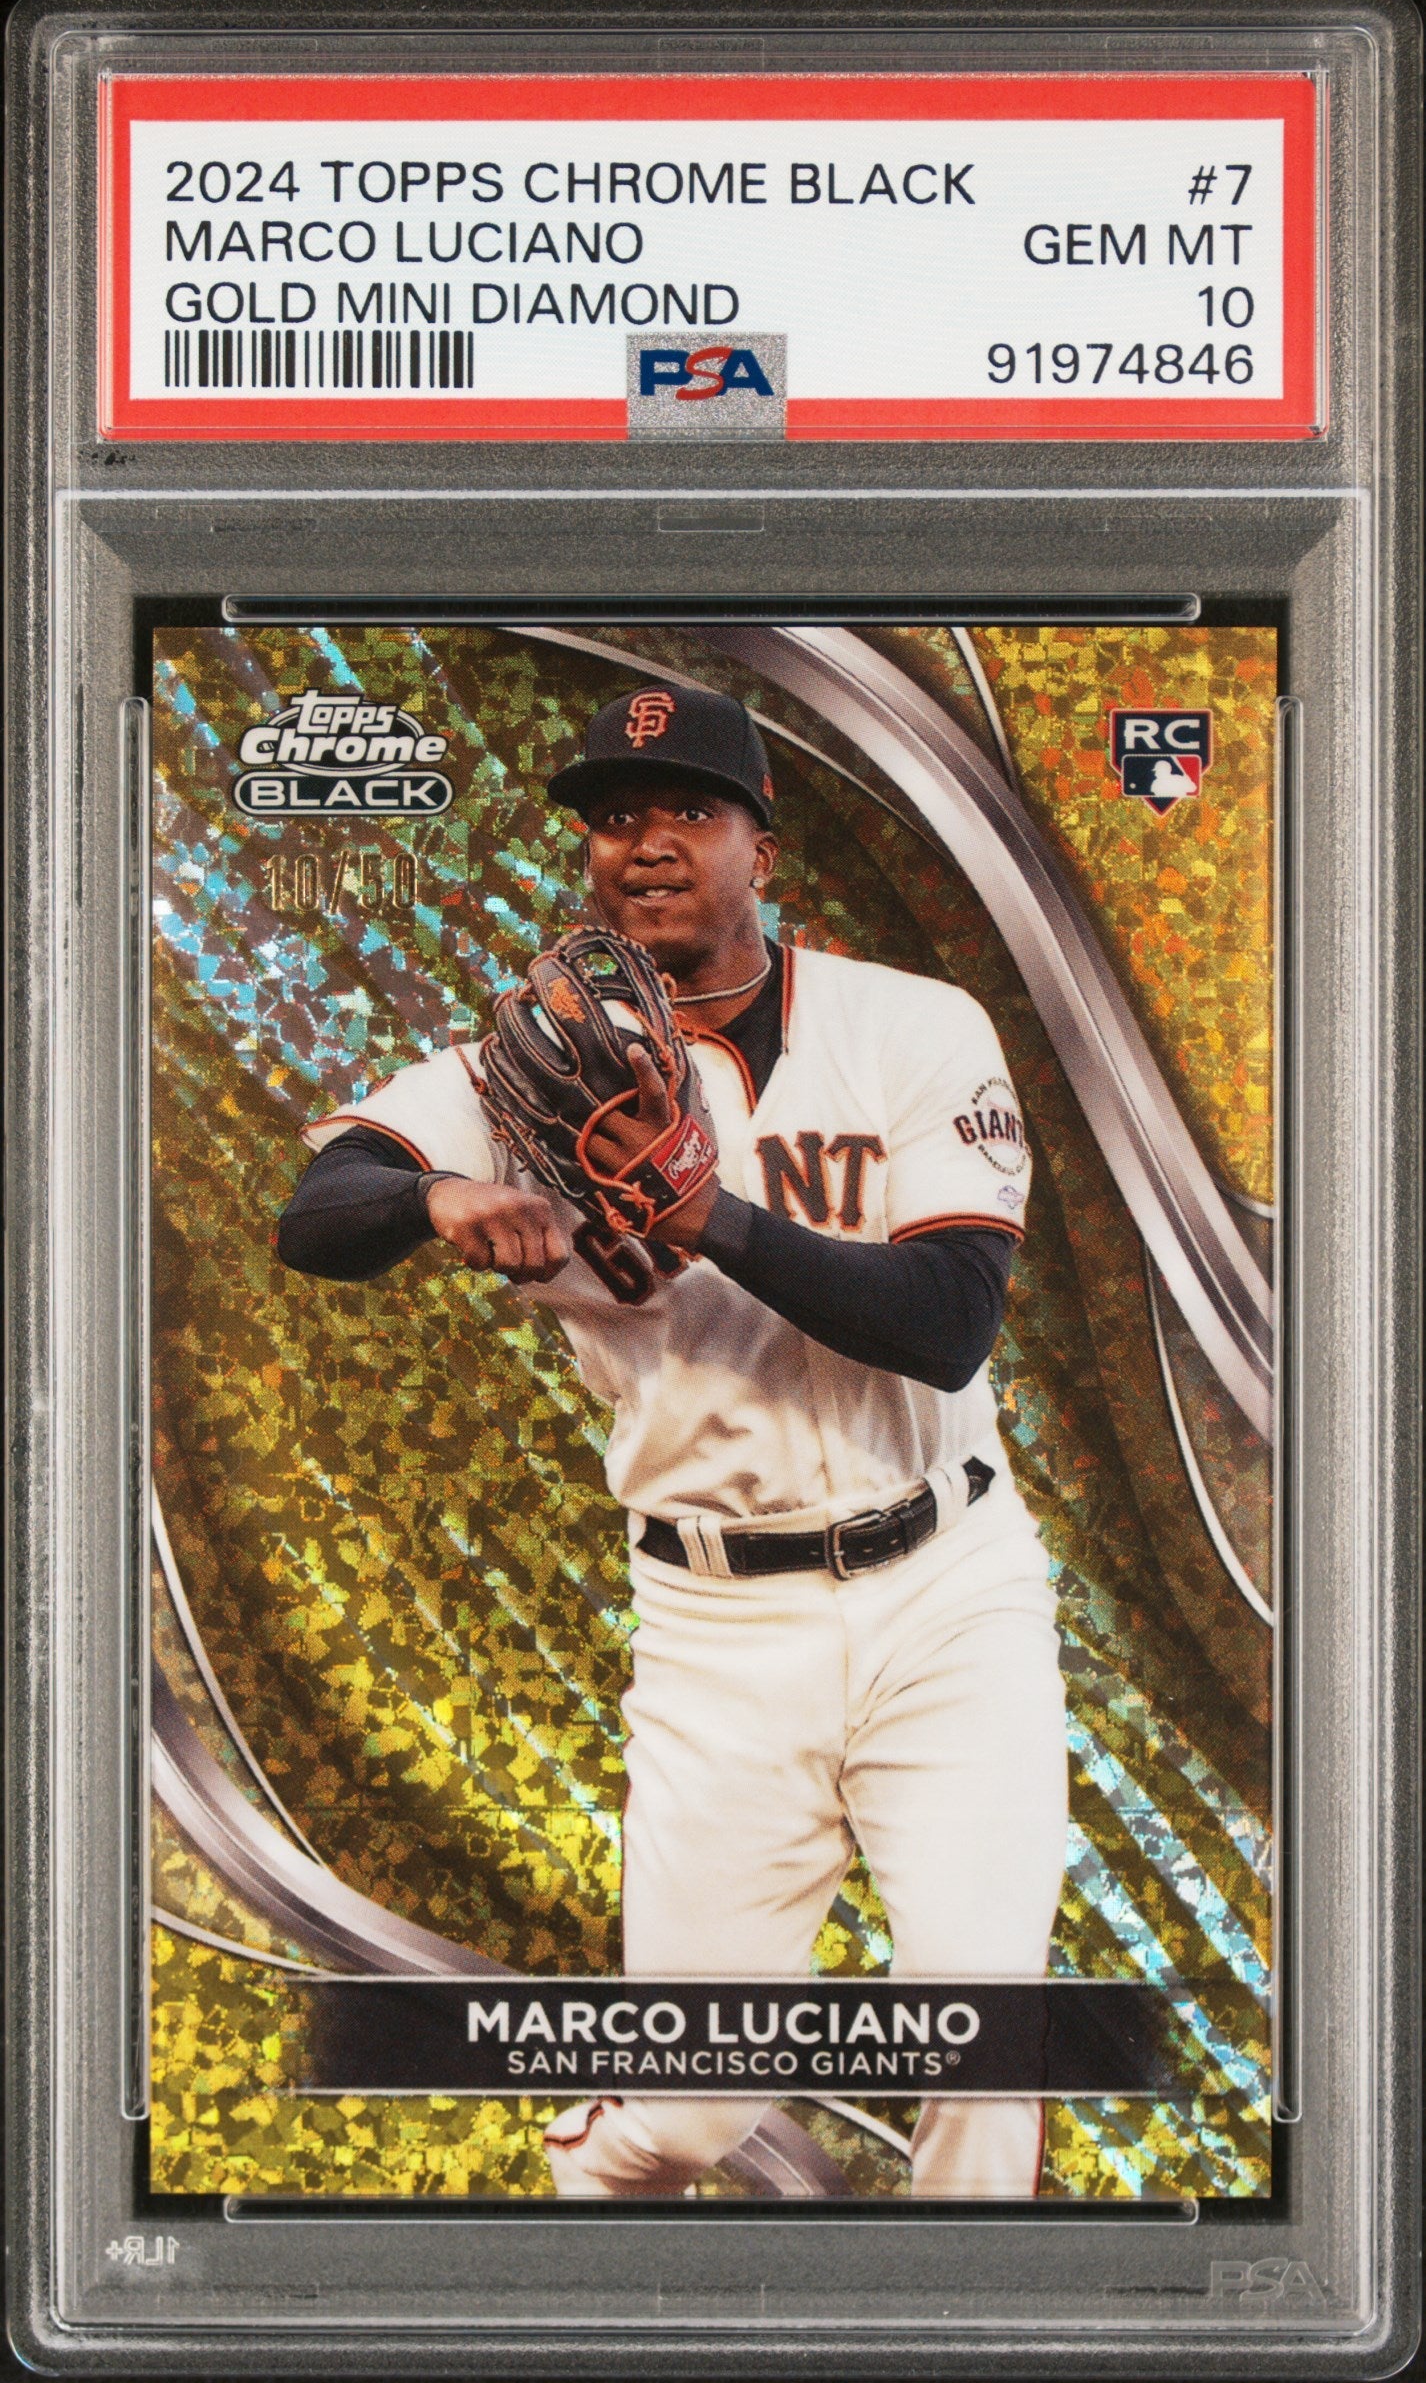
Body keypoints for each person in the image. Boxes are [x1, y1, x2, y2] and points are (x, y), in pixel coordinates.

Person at [277, 679, 1068, 2198]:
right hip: (720, 1628)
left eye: (688, 810)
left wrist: (703, 1211)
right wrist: (434, 1195)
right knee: (694, 2110)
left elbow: (947, 1320)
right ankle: (593, 2194)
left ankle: (960, 2311)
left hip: (948, 1592)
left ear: (760, 849)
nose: (644, 842)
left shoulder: (913, 1025)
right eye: (612, 817)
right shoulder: (518, 1076)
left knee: (987, 2034)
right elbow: (317, 1216)